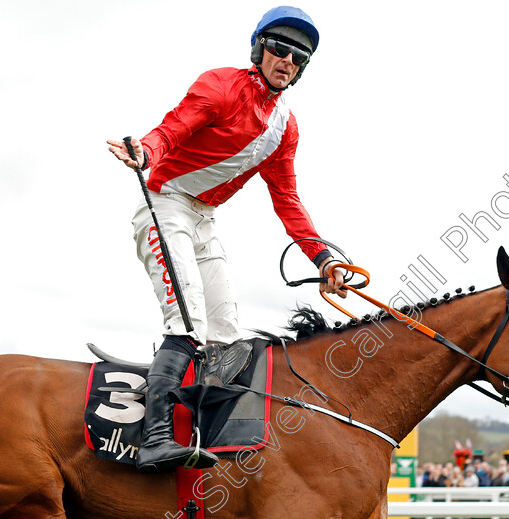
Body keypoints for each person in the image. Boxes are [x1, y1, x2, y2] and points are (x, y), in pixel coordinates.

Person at [107, 6, 346, 473]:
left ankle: (203, 430)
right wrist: (146, 150)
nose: (287, 61)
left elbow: (287, 200)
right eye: (279, 49)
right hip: (165, 203)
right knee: (188, 316)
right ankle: (154, 438)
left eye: (299, 57)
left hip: (204, 219)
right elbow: (174, 128)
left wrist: (322, 258)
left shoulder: (285, 129)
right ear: (259, 48)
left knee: (226, 333)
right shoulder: (220, 84)